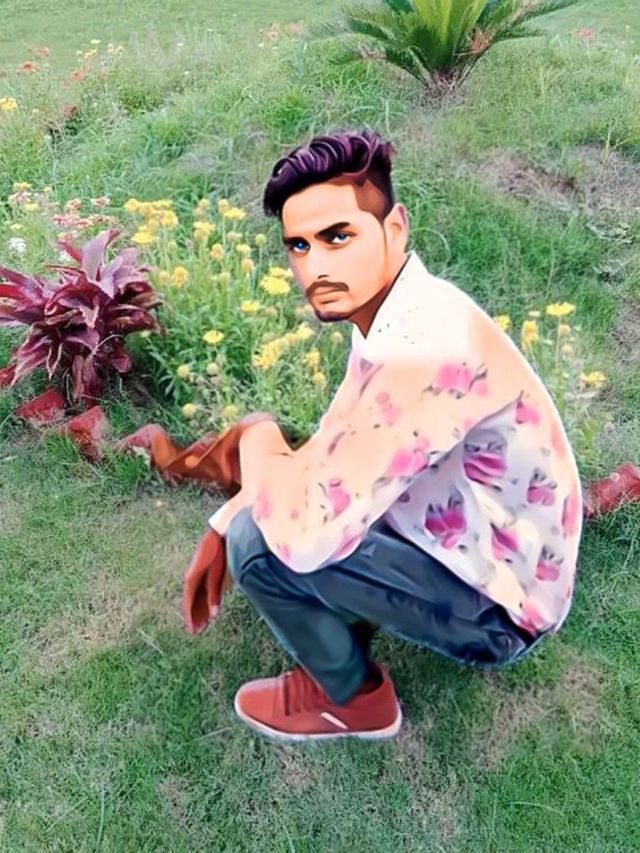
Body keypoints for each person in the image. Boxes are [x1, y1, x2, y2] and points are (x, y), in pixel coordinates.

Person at [194, 129, 584, 742]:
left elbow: (305, 539)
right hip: (479, 543)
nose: (315, 267)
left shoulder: (417, 353)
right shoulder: (404, 305)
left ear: (394, 228)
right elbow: (339, 438)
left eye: (338, 237)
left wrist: (255, 437)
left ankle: (354, 701)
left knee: (259, 545)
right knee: (260, 513)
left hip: (500, 611)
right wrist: (223, 516)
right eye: (299, 246)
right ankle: (356, 610)